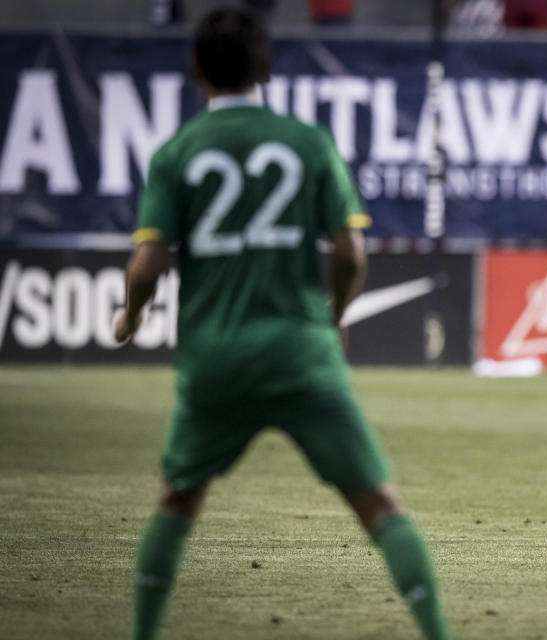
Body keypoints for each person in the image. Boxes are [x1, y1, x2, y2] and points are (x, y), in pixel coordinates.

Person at [114, 8, 451, 639]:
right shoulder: (306, 142)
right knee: (379, 506)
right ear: (266, 68)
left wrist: (130, 315)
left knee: (176, 500)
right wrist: (335, 316)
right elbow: (351, 254)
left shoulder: (176, 153)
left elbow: (147, 265)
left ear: (195, 71)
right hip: (302, 353)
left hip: (216, 358)